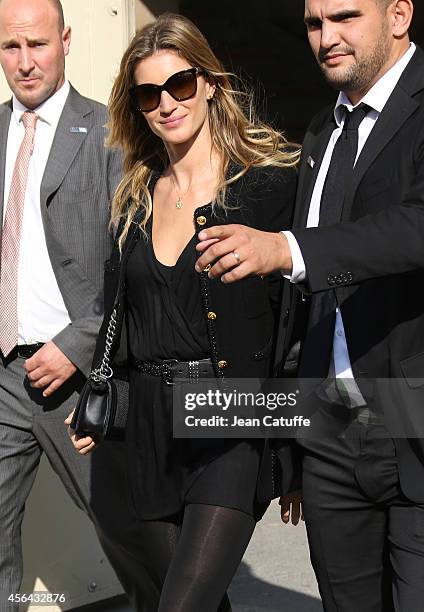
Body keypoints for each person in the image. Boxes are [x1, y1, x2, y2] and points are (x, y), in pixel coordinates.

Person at [196, 0, 424, 610]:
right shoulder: (324, 129)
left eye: (345, 17)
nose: (326, 38)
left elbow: (413, 228)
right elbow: (305, 300)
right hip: (330, 432)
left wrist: (287, 249)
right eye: (314, 24)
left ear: (399, 15)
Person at [68, 12, 299, 612]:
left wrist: (294, 451)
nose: (167, 104)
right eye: (149, 94)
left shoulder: (269, 186)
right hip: (146, 424)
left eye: (180, 85)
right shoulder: (135, 197)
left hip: (228, 418)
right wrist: (99, 396)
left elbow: (294, 325)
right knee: (177, 598)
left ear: (211, 84)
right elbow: (122, 312)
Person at [0, 0, 150, 609]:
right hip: (5, 374)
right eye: (12, 47)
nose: (25, 61)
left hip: (81, 377)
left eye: (38, 44)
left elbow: (135, 263)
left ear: (65, 40)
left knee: (134, 536)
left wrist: (78, 345)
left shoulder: (112, 132)